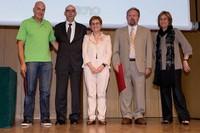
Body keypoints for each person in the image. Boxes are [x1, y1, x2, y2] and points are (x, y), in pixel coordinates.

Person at [16, 1, 58, 127]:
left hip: (47, 63)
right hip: (31, 62)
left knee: (45, 92)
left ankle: (45, 118)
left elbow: (54, 43)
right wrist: (23, 63)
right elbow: (20, 44)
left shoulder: (48, 25)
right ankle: (27, 119)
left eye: (43, 9)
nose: (41, 11)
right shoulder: (26, 23)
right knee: (30, 91)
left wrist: (69, 50)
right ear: (34, 10)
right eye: (38, 9)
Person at [112, 7, 153, 125]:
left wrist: (149, 65)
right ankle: (127, 115)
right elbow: (116, 50)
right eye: (130, 15)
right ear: (126, 17)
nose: (132, 17)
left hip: (140, 65)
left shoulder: (145, 31)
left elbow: (149, 49)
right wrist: (115, 63)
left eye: (134, 15)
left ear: (138, 17)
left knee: (140, 92)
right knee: (125, 92)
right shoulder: (119, 31)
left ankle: (139, 115)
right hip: (124, 65)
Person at [153, 11, 192, 125]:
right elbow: (155, 53)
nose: (163, 21)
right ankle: (167, 117)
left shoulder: (176, 32)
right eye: (161, 19)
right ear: (158, 22)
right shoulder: (156, 35)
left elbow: (187, 47)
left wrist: (185, 61)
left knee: (177, 92)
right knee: (164, 93)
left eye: (165, 19)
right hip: (162, 69)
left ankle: (184, 117)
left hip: (175, 68)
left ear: (169, 20)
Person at [54, 5, 87, 125]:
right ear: (64, 13)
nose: (70, 13)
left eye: (72, 11)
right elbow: (53, 42)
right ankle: (60, 117)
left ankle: (75, 117)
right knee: (60, 91)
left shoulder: (82, 28)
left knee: (76, 92)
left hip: (77, 63)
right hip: (62, 63)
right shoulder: (57, 27)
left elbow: (85, 46)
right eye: (68, 11)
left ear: (76, 13)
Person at [82, 16, 112, 125]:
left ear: (101, 25)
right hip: (89, 68)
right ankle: (91, 117)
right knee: (91, 93)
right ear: (90, 26)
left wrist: (102, 66)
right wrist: (91, 66)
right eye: (93, 24)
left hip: (103, 68)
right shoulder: (86, 38)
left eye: (97, 23)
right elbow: (84, 53)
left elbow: (109, 53)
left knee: (101, 93)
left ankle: (102, 117)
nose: (95, 25)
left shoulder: (107, 38)